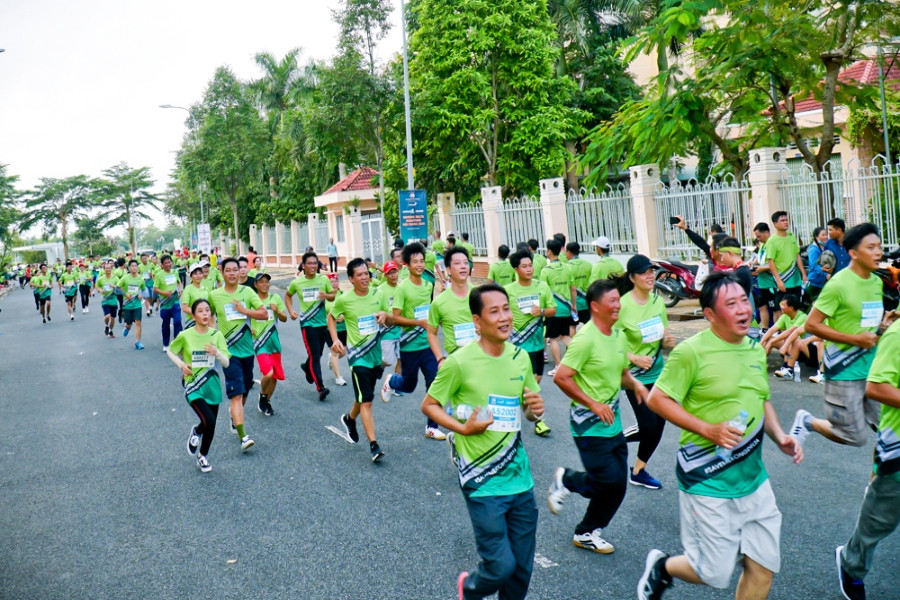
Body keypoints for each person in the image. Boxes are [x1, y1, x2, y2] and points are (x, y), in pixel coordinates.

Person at [637, 271, 803, 600]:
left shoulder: (755, 349)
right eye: (731, 303)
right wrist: (707, 429)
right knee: (712, 572)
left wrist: (779, 435)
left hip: (754, 480)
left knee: (762, 571)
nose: (743, 309)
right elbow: (657, 399)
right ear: (710, 315)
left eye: (744, 300)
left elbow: (761, 398)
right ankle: (663, 567)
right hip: (706, 477)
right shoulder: (691, 352)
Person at [420, 283, 545, 600]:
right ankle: (470, 589)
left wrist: (533, 410)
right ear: (477, 321)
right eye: (495, 311)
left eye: (506, 309)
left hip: (520, 477)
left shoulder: (520, 358)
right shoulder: (459, 362)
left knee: (520, 572)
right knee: (500, 566)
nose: (505, 317)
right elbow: (430, 405)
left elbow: (527, 411)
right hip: (481, 479)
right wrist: (463, 429)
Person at [547, 278, 650, 554]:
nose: (618, 305)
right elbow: (562, 377)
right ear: (595, 306)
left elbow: (621, 372)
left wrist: (636, 383)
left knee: (616, 487)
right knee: (607, 481)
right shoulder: (585, 339)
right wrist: (593, 404)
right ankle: (566, 479)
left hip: (611, 423)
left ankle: (587, 532)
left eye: (619, 300)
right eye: (613, 301)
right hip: (588, 424)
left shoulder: (617, 335)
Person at [791, 223, 895, 449]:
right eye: (871, 247)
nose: (878, 252)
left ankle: (878, 484)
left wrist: (885, 323)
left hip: (874, 371)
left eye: (879, 246)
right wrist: (856, 340)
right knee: (853, 436)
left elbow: (865, 321)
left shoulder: (876, 282)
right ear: (854, 253)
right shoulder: (838, 284)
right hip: (844, 369)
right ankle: (808, 421)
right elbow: (812, 324)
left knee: (890, 433)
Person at [835, 317, 900, 600]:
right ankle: (851, 563)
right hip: (897, 450)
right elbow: (876, 387)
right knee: (879, 521)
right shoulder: (897, 335)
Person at [615, 254, 676, 490]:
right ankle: (615, 441)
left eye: (652, 271)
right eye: (644, 273)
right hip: (633, 377)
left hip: (658, 373)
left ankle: (638, 470)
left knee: (659, 425)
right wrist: (632, 357)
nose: (650, 276)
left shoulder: (657, 301)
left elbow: (662, 333)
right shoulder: (621, 306)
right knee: (648, 426)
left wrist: (667, 340)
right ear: (632, 278)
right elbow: (610, 342)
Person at [380, 242, 446, 440]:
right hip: (409, 345)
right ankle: (392, 381)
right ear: (406, 265)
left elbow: (429, 311)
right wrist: (418, 322)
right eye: (415, 262)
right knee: (408, 385)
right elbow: (394, 318)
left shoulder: (428, 285)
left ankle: (431, 427)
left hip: (427, 344)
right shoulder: (402, 288)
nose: (419, 265)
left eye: (422, 261)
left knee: (435, 383)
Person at [328, 258, 391, 462]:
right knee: (367, 401)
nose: (365, 277)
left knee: (364, 396)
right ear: (352, 279)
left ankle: (349, 418)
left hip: (375, 355)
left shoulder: (378, 294)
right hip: (358, 358)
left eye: (366, 273)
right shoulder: (344, 299)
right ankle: (374, 444)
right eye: (360, 275)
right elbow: (331, 316)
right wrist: (336, 339)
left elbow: (388, 318)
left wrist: (384, 316)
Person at [208, 257, 268, 453]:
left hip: (247, 350)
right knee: (236, 393)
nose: (232, 273)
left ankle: (235, 415)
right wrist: (211, 340)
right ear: (222, 273)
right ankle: (244, 436)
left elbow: (264, 314)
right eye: (228, 270)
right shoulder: (214, 295)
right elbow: (209, 318)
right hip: (228, 352)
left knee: (246, 387)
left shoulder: (248, 292)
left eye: (236, 270)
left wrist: (244, 310)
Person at [166, 298, 230, 473]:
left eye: (207, 310)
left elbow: (226, 363)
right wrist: (181, 365)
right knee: (208, 420)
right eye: (200, 311)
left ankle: (202, 455)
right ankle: (197, 430)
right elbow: (171, 351)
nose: (205, 314)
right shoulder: (185, 335)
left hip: (212, 385)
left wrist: (216, 352)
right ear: (193, 316)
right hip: (193, 384)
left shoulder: (216, 336)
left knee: (212, 424)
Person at [504, 249, 555, 437]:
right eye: (524, 266)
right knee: (528, 384)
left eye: (530, 265)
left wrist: (541, 311)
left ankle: (515, 406)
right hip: (517, 345)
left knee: (536, 380)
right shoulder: (509, 290)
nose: (529, 269)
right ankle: (538, 421)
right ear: (516, 269)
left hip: (537, 343)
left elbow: (553, 310)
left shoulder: (542, 287)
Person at [286, 251, 336, 402]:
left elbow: (333, 294)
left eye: (315, 263)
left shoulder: (323, 279)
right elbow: (288, 295)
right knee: (314, 355)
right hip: (307, 324)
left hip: (322, 323)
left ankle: (307, 368)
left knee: (318, 354)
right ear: (303, 266)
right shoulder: (297, 282)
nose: (313, 266)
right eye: (310, 263)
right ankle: (320, 387)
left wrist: (326, 296)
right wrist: (291, 311)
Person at [428, 246, 474, 362]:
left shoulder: (480, 295)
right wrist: (440, 359)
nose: (463, 266)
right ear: (448, 270)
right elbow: (431, 333)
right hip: (455, 361)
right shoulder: (439, 302)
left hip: (481, 358)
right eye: (458, 263)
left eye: (465, 263)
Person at [252, 272, 287, 416]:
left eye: (266, 281)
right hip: (260, 342)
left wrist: (277, 310)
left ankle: (266, 400)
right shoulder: (252, 300)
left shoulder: (275, 298)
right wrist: (250, 328)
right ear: (256, 285)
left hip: (274, 341)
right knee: (268, 372)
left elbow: (284, 318)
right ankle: (263, 394)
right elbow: (244, 317)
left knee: (275, 376)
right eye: (261, 282)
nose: (264, 284)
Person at [540, 239, 577, 378]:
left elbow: (543, 291)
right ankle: (579, 358)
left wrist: (542, 310)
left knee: (554, 338)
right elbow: (573, 288)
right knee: (565, 336)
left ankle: (558, 366)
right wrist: (573, 305)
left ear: (549, 251)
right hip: (566, 308)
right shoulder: (567, 267)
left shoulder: (546, 270)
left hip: (553, 309)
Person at [760, 294, 807, 378]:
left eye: (783, 305)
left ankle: (788, 369)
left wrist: (772, 342)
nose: (780, 306)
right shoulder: (785, 316)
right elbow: (771, 330)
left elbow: (790, 332)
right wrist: (761, 343)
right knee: (768, 338)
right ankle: (757, 364)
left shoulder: (802, 316)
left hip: (803, 348)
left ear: (791, 308)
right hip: (788, 347)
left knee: (792, 337)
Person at [377, 261, 403, 392]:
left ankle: (396, 386)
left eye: (395, 272)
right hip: (387, 330)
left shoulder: (403, 287)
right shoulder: (380, 290)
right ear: (385, 275)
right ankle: (380, 367)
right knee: (388, 360)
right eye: (390, 273)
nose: (393, 275)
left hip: (402, 329)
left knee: (401, 358)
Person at [154, 255, 183, 352]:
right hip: (165, 303)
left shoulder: (175, 272)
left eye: (169, 262)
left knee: (178, 322)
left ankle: (177, 343)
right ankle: (166, 343)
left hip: (175, 301)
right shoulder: (159, 275)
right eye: (166, 263)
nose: (168, 264)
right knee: (165, 324)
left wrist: (180, 290)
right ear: (162, 265)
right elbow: (155, 289)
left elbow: (179, 282)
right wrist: (165, 293)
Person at [117, 259, 147, 349]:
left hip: (137, 305)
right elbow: (117, 288)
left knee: (138, 323)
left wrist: (141, 294)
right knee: (129, 324)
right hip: (127, 305)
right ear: (129, 268)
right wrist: (125, 294)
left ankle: (137, 342)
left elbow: (143, 289)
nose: (134, 268)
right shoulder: (125, 278)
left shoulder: (141, 279)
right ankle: (127, 328)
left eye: (135, 266)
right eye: (132, 266)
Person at [751, 222, 776, 331]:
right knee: (762, 306)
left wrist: (762, 269)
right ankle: (764, 329)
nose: (758, 239)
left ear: (766, 232)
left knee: (775, 308)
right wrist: (752, 264)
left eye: (759, 236)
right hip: (762, 282)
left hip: (771, 282)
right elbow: (759, 259)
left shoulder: (773, 244)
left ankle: (776, 330)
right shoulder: (762, 245)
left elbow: (776, 264)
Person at [565, 242, 592, 326]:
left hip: (573, 304)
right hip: (587, 302)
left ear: (568, 252)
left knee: (572, 327)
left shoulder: (566, 267)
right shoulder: (588, 264)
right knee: (589, 326)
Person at [181, 263, 209, 329]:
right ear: (191, 276)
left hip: (204, 322)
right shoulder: (188, 289)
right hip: (192, 322)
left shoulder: (206, 289)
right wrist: (199, 313)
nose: (198, 276)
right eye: (195, 274)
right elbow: (185, 308)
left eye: (200, 273)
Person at [806, 226, 829, 304]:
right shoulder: (813, 249)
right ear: (816, 237)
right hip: (815, 282)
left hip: (824, 282)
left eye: (826, 234)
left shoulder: (825, 247)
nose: (826, 237)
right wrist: (826, 274)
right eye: (823, 235)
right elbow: (814, 266)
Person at [95, 262, 119, 338]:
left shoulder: (115, 278)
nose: (108, 269)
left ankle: (110, 330)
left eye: (109, 268)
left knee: (113, 317)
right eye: (106, 268)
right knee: (107, 316)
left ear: (111, 269)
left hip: (113, 300)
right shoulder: (101, 279)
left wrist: (114, 286)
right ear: (104, 269)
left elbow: (119, 288)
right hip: (105, 300)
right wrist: (100, 290)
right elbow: (97, 286)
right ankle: (106, 325)